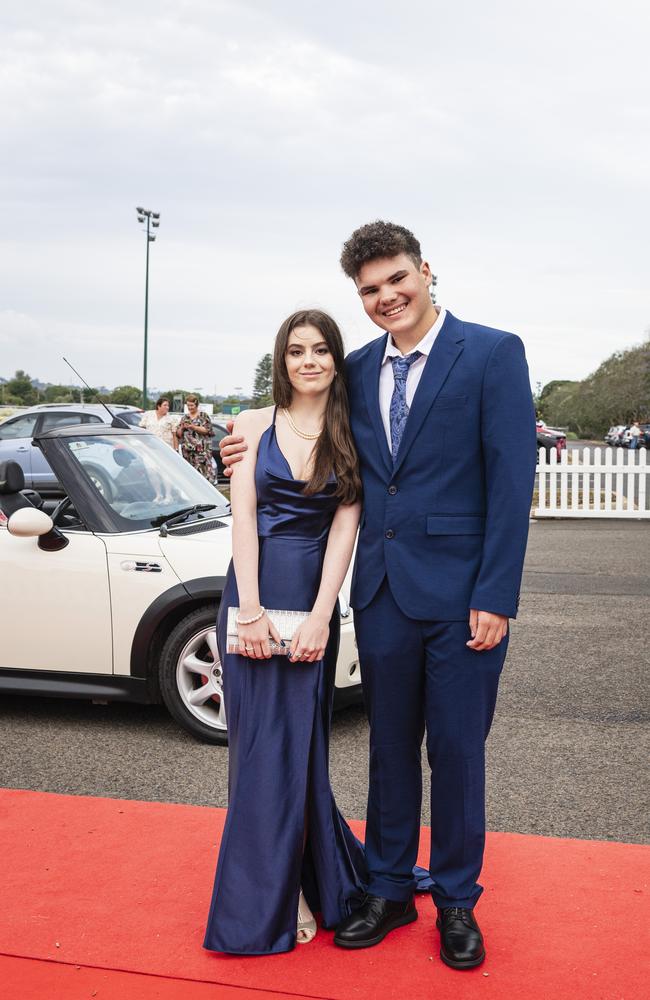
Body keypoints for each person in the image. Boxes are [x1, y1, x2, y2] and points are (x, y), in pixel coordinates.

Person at [219, 221, 537, 970]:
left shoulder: (492, 352)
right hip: (384, 593)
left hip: (465, 601)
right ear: (358, 297)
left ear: (426, 271)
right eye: (369, 289)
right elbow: (302, 428)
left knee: (456, 753)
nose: (386, 296)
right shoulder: (356, 368)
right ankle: (389, 889)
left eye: (397, 279)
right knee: (388, 752)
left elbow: (511, 481)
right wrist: (242, 444)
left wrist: (496, 594)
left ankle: (457, 901)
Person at [203, 309, 368, 956]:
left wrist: (325, 615)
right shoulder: (250, 426)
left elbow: (344, 530)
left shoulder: (351, 432)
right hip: (251, 599)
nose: (309, 361)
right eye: (296, 350)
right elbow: (243, 518)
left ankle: (315, 875)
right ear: (282, 360)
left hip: (311, 607)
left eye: (321, 350)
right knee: (256, 757)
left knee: (302, 755)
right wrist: (247, 609)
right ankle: (278, 898)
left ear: (335, 359)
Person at [176, 396, 216, 481]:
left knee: (203, 474)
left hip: (201, 451)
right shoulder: (185, 418)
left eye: (192, 405)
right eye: (188, 405)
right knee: (189, 475)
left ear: (196, 405)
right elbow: (178, 434)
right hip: (187, 451)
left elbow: (207, 430)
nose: (190, 407)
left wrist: (193, 427)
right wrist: (182, 428)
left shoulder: (203, 416)